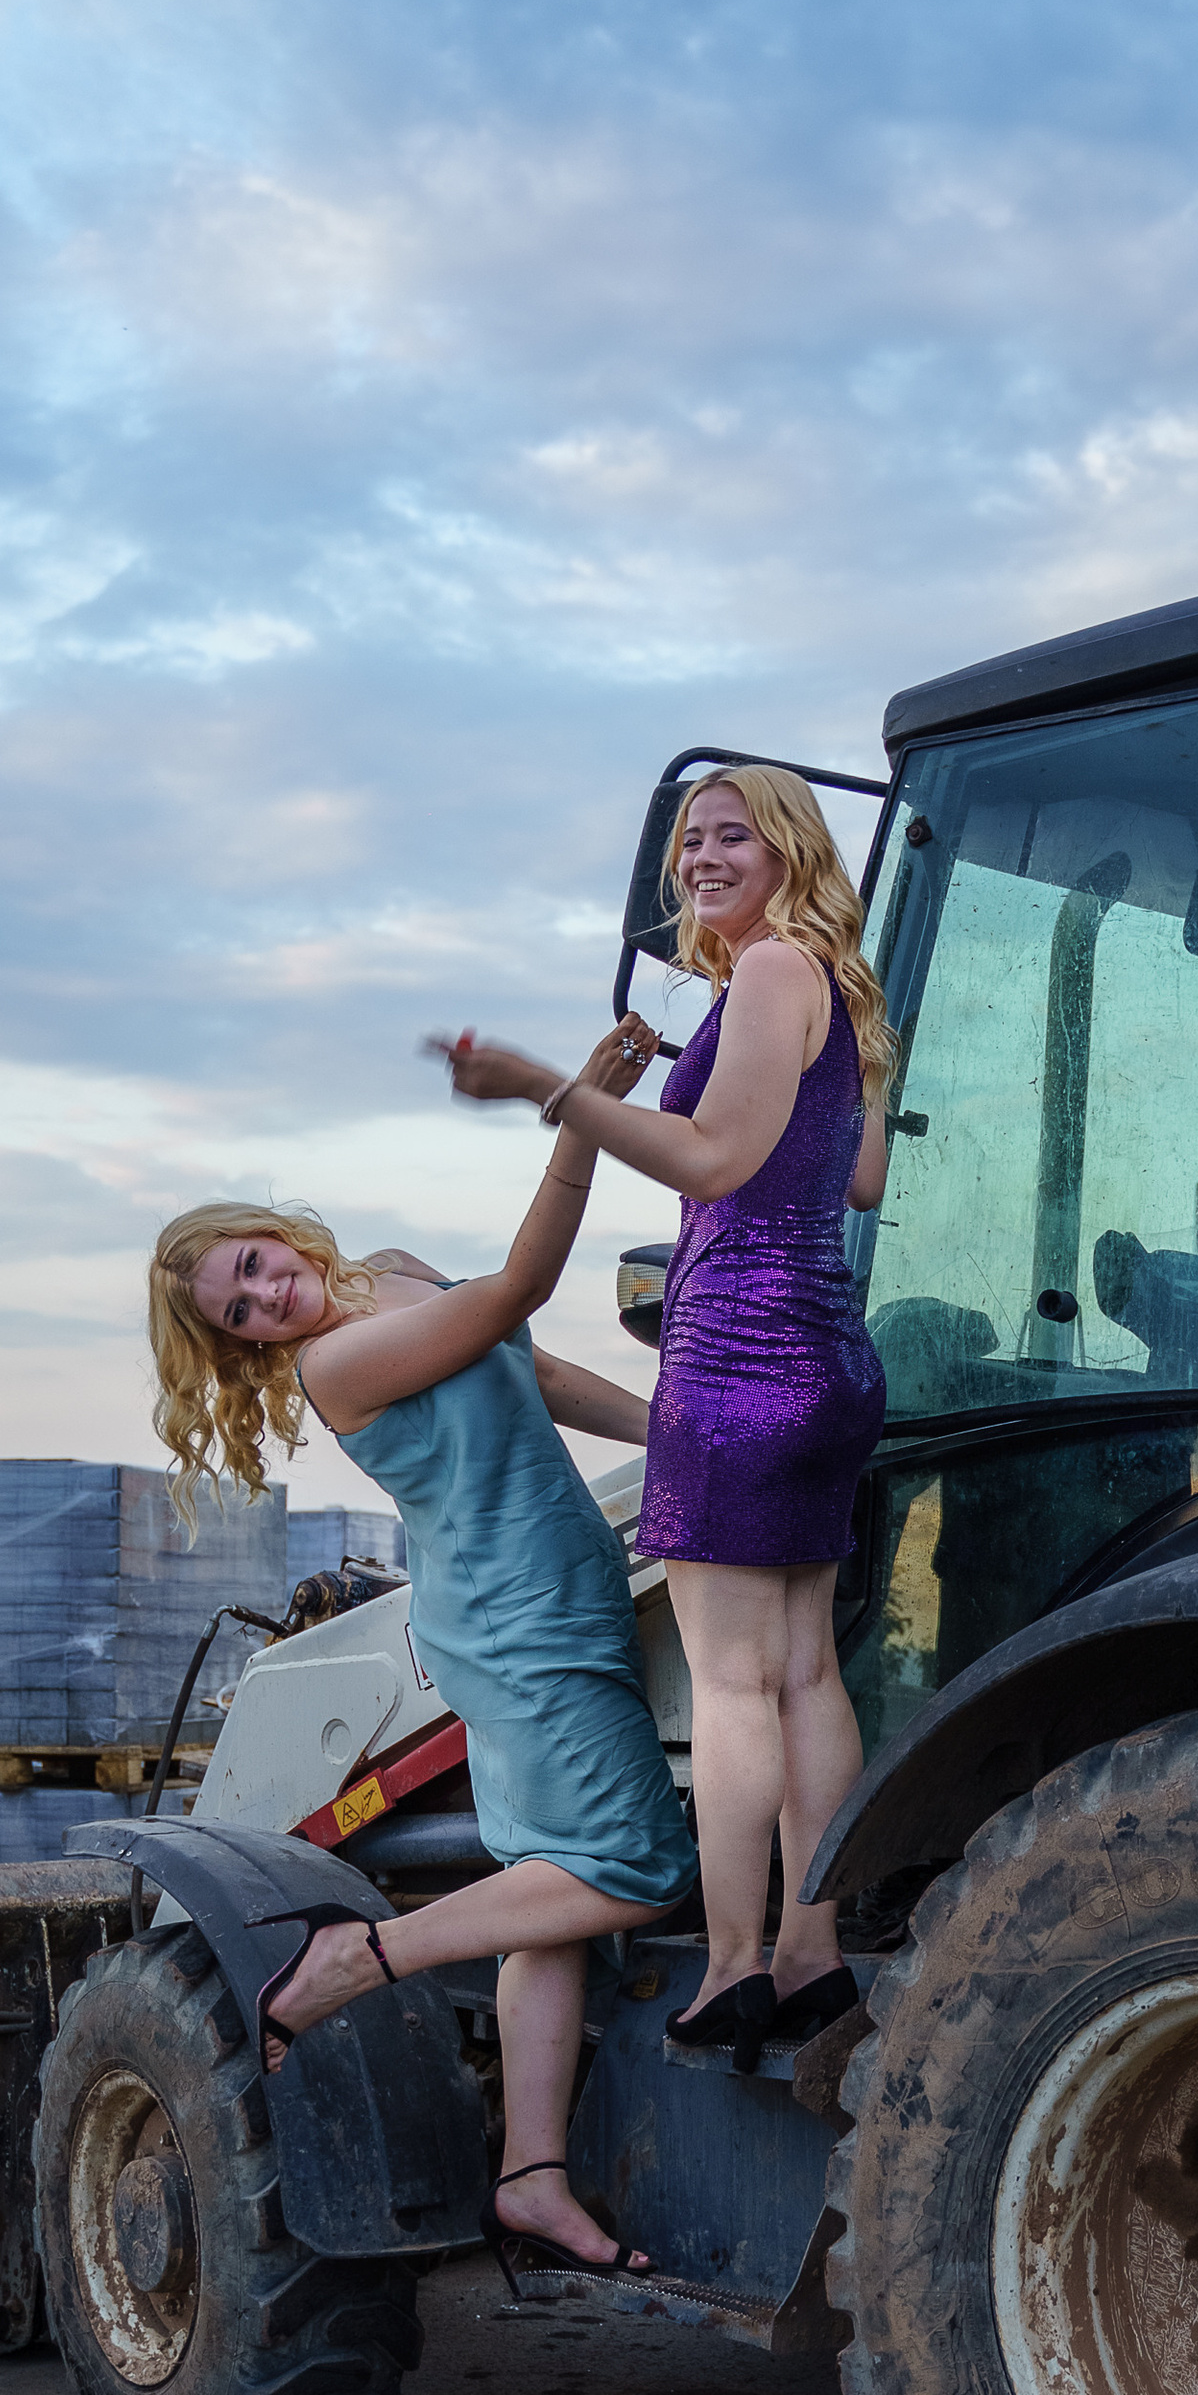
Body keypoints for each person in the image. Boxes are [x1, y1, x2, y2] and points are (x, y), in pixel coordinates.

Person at [145, 1020, 696, 2288]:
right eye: (239, 1312)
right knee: (631, 1866)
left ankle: (532, 2177)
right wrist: (575, 1121)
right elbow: (513, 1295)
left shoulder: (389, 1273)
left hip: (537, 1599)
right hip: (519, 1623)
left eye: (252, 1267)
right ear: (244, 1342)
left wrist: (675, 1428)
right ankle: (362, 1957)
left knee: (547, 1906)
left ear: (272, 1230)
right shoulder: (338, 1364)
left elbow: (533, 1364)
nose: (263, 1297)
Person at [441, 766, 893, 2073]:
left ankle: (733, 1966)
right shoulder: (832, 986)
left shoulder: (767, 975)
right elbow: (855, 1174)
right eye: (689, 840)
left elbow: (709, 1165)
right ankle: (813, 1952)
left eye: (730, 834)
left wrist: (545, 1086)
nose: (701, 857)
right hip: (826, 1361)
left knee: (734, 1683)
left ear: (785, 845)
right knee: (807, 1669)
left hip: (736, 1361)